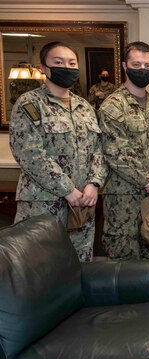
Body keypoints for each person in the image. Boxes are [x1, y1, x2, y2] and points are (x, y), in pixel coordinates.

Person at [10, 41, 107, 262]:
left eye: (72, 63)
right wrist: (67, 190)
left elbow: (98, 150)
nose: (67, 67)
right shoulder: (30, 104)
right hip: (43, 206)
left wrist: (94, 184)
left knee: (79, 265)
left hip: (82, 206)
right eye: (58, 62)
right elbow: (30, 154)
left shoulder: (85, 107)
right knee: (39, 267)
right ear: (44, 67)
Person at [99, 41, 149, 260]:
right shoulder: (113, 106)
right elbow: (116, 153)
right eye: (137, 64)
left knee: (148, 251)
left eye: (148, 66)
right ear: (124, 66)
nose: (143, 70)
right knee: (123, 257)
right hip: (123, 197)